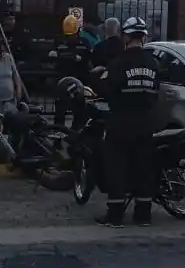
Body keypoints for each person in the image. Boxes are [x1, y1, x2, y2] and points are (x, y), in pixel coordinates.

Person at [97, 16, 159, 228]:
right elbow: (156, 93)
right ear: (143, 36)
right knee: (144, 168)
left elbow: (107, 91)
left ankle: (115, 215)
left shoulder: (118, 63)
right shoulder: (154, 63)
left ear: (125, 35)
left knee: (116, 168)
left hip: (121, 121)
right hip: (146, 122)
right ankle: (143, 215)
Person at [50, 14, 91, 127]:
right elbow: (52, 55)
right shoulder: (59, 42)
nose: (70, 37)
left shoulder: (83, 43)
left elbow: (87, 59)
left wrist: (74, 58)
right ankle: (58, 136)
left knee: (79, 112)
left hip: (78, 80)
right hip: (63, 80)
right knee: (60, 112)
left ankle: (74, 136)